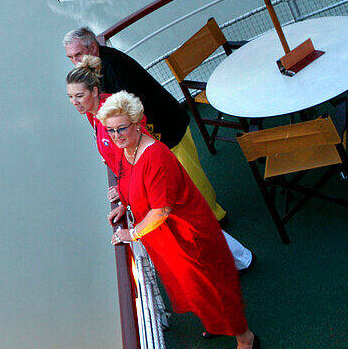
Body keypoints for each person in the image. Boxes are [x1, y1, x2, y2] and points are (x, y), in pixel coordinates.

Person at [100, 91, 259, 349]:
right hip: (168, 239)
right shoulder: (127, 152)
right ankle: (218, 324)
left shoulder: (155, 156)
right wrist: (125, 204)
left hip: (189, 236)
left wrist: (132, 233)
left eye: (122, 127)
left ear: (138, 123)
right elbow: (129, 183)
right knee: (195, 289)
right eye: (111, 129)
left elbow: (161, 211)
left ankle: (245, 338)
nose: (116, 134)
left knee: (214, 287)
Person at [66, 57, 251, 271]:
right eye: (70, 96)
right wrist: (124, 196)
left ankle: (241, 259)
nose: (75, 102)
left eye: (80, 95)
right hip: (145, 180)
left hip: (153, 178)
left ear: (95, 91)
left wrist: (132, 202)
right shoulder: (94, 115)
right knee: (186, 226)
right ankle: (228, 263)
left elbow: (135, 150)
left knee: (190, 222)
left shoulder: (112, 115)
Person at [63, 26, 226, 221]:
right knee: (180, 179)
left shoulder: (113, 67)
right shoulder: (97, 69)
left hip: (166, 127)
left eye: (78, 54)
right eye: (71, 58)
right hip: (159, 129)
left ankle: (215, 217)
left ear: (93, 48)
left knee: (189, 177)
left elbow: (128, 113)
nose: (75, 62)